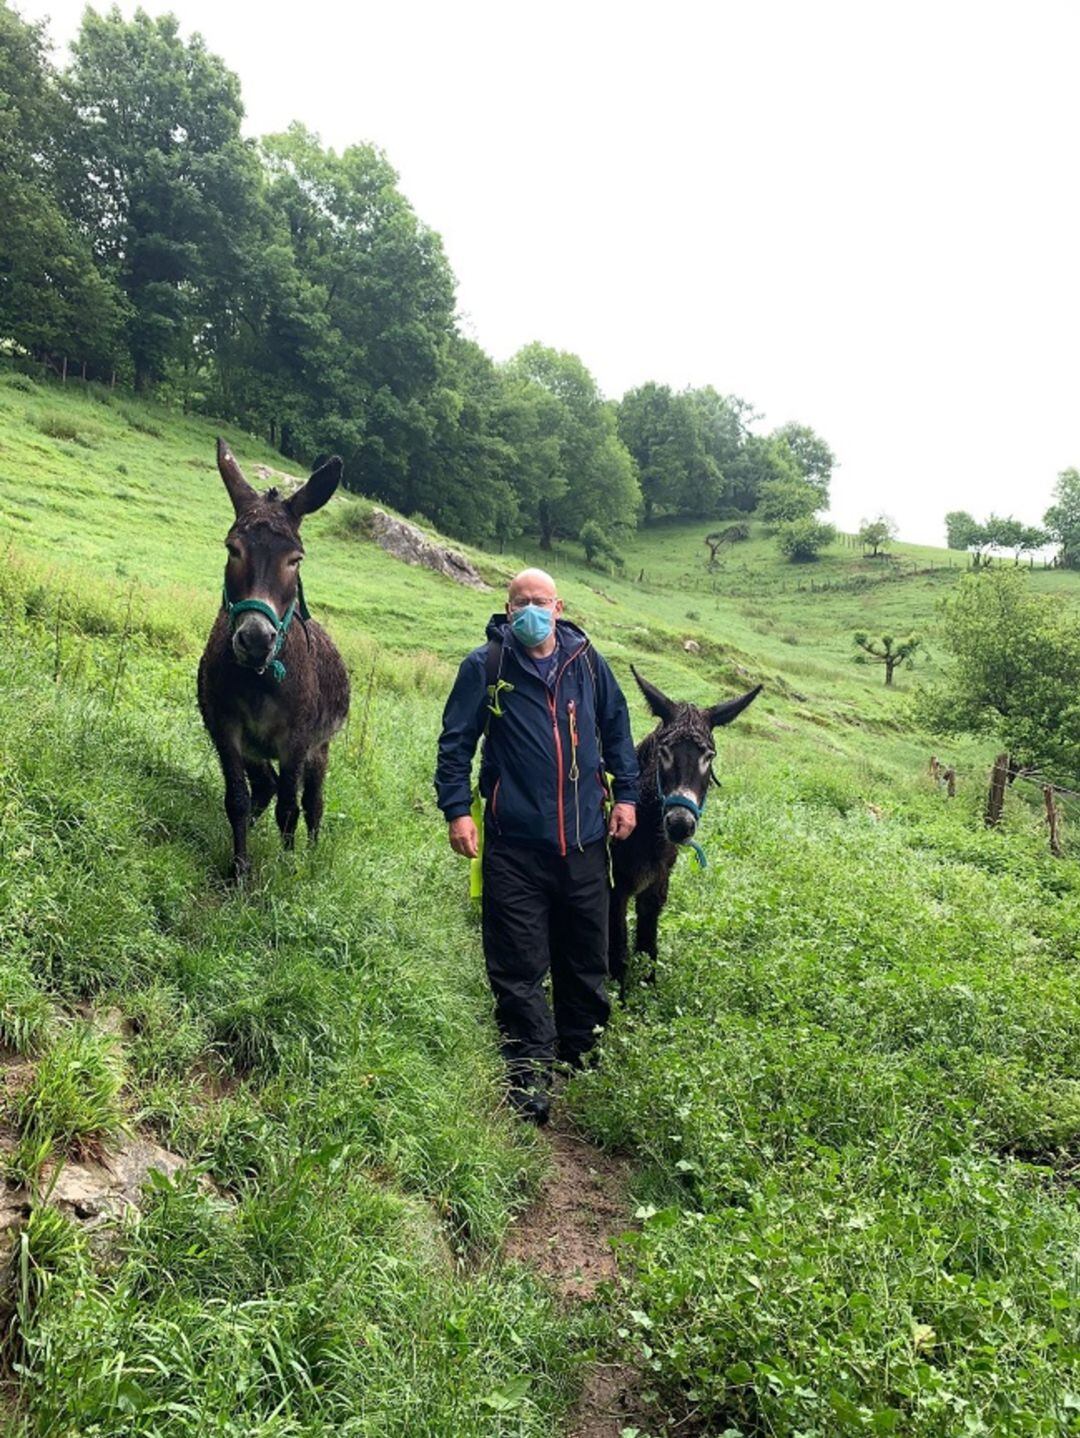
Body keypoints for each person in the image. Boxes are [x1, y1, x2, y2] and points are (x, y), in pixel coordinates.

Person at [435, 568, 639, 1124]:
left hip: (585, 844)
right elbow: (455, 743)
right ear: (507, 608)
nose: (530, 610)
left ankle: (583, 1053)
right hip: (515, 847)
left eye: (539, 602)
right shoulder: (486, 666)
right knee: (518, 965)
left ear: (558, 606)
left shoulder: (587, 663)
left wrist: (627, 796)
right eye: (520, 602)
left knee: (586, 958)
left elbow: (617, 730)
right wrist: (457, 810)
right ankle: (529, 1075)